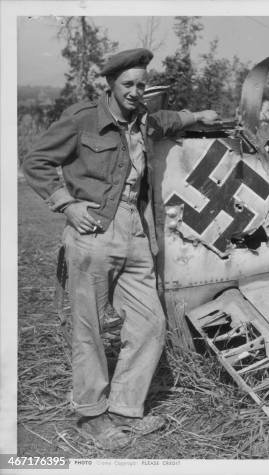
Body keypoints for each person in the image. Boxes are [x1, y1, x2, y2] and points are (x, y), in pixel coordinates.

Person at [22, 48, 220, 449]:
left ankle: (124, 410)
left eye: (142, 85)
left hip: (137, 231)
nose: (136, 91)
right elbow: (36, 160)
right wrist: (68, 203)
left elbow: (168, 120)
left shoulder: (144, 119)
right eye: (128, 84)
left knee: (151, 323)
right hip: (94, 231)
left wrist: (198, 116)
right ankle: (90, 416)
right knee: (89, 329)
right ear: (110, 84)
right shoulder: (83, 119)